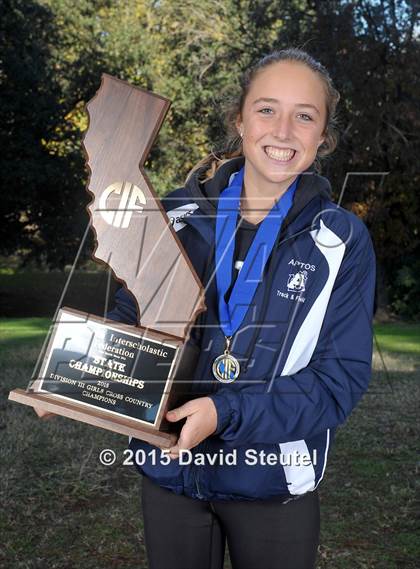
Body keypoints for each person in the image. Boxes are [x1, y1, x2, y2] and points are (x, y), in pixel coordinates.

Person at [62, 47, 378, 568]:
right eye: (266, 109)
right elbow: (130, 319)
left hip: (272, 484)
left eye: (305, 116)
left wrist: (223, 412)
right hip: (169, 469)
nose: (283, 130)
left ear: (322, 137)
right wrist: (81, 377)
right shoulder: (174, 216)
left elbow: (337, 380)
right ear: (239, 118)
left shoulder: (342, 239)